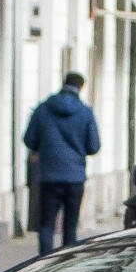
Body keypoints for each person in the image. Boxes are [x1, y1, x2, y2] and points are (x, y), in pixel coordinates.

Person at [23, 73, 99, 255]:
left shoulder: (43, 109)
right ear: (81, 87)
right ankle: (66, 260)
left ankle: (44, 262)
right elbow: (94, 146)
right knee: (70, 224)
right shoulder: (85, 112)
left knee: (46, 224)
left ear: (63, 83)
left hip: (49, 175)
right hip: (75, 176)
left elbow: (29, 139)